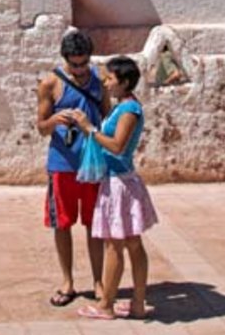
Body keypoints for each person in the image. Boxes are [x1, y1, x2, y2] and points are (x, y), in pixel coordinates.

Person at [71, 55, 158, 321]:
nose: (106, 83)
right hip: (122, 181)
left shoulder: (129, 111)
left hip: (119, 184)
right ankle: (138, 304)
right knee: (133, 243)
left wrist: (89, 129)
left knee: (114, 245)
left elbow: (118, 146)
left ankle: (106, 305)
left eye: (110, 78)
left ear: (125, 82)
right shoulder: (125, 107)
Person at [37, 28, 109, 307]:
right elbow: (41, 127)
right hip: (62, 164)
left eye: (83, 64)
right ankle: (67, 281)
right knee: (62, 224)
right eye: (74, 64)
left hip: (92, 164)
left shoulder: (100, 81)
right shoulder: (50, 84)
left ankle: (98, 281)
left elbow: (107, 117)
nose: (79, 70)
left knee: (95, 224)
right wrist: (55, 119)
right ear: (65, 59)